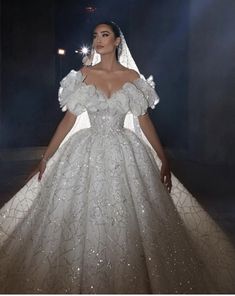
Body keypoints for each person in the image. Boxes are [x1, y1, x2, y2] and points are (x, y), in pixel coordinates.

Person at [0, 21, 235, 294]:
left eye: (105, 35)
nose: (98, 40)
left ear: (117, 41)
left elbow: (144, 121)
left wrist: (163, 158)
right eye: (95, 36)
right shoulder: (84, 74)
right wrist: (46, 156)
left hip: (125, 151)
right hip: (85, 150)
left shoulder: (132, 78)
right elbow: (68, 121)